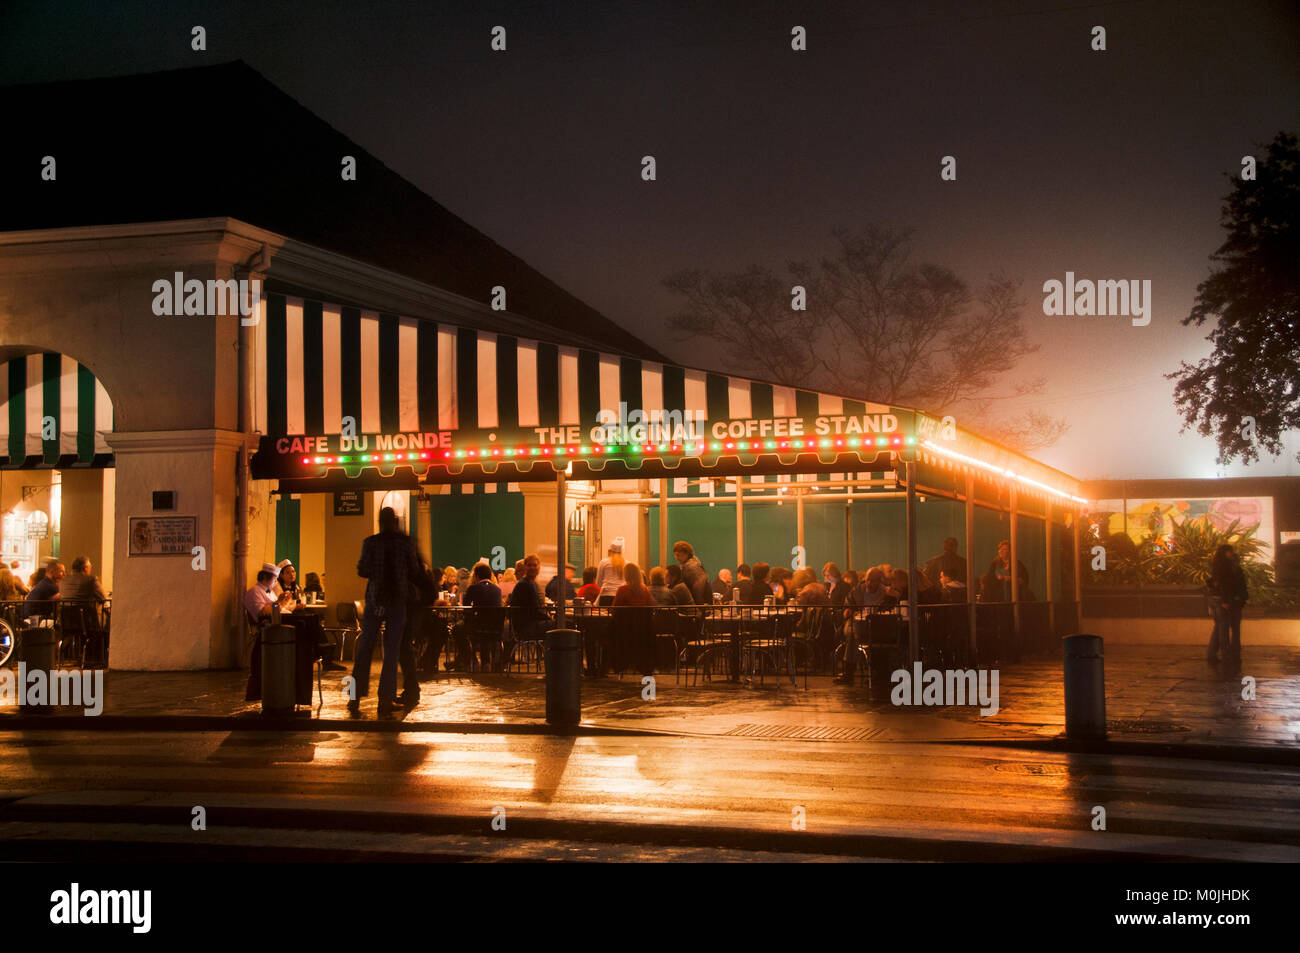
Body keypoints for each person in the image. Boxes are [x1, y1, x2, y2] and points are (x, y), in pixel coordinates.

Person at [349, 506, 421, 717]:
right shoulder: (405, 544)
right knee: (392, 652)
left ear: (380, 522)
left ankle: (353, 697)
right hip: (397, 600)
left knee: (364, 648)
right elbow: (414, 570)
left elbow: (362, 569)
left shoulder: (370, 542)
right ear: (396, 522)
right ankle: (385, 700)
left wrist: (376, 572)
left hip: (375, 599)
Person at [613, 562, 657, 675]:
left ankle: (616, 666)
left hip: (625, 630)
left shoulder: (622, 590)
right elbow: (651, 606)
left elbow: (615, 609)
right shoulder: (644, 590)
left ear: (626, 575)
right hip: (643, 630)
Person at [1207, 544, 1248, 664]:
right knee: (1223, 628)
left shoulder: (1217, 565)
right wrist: (1225, 600)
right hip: (1223, 600)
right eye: (1231, 552)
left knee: (1219, 627)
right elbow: (1225, 584)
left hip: (1217, 599)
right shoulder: (1224, 566)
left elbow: (1216, 583)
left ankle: (1212, 654)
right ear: (1226, 553)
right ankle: (1225, 655)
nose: (1232, 554)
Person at [507, 553, 550, 643]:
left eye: (534, 565)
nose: (532, 568)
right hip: (527, 628)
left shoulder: (529, 583)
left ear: (539, 567)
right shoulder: (526, 585)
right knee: (563, 624)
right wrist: (549, 618)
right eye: (529, 565)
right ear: (525, 567)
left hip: (525, 626)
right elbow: (535, 610)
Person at [673, 540, 710, 604]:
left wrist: (698, 606)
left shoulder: (690, 567)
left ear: (686, 554)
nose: (676, 558)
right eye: (675, 555)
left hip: (698, 603)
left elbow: (697, 588)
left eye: (678, 555)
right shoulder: (695, 563)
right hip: (703, 601)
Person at [594, 539, 626, 606]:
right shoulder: (627, 563)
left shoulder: (604, 562)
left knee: (606, 615)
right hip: (622, 596)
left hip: (606, 596)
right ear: (621, 552)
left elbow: (598, 583)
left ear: (610, 551)